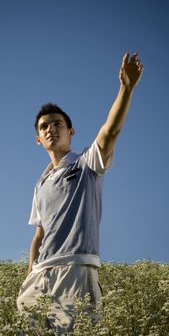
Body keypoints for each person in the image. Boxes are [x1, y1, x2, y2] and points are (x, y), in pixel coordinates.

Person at [17, 52, 144, 333]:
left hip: (75, 268)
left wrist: (126, 88)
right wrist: (30, 275)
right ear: (38, 139)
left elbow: (110, 132)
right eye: (44, 127)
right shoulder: (40, 183)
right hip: (39, 277)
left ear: (71, 132)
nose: (51, 129)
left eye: (58, 124)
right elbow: (38, 235)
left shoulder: (87, 163)